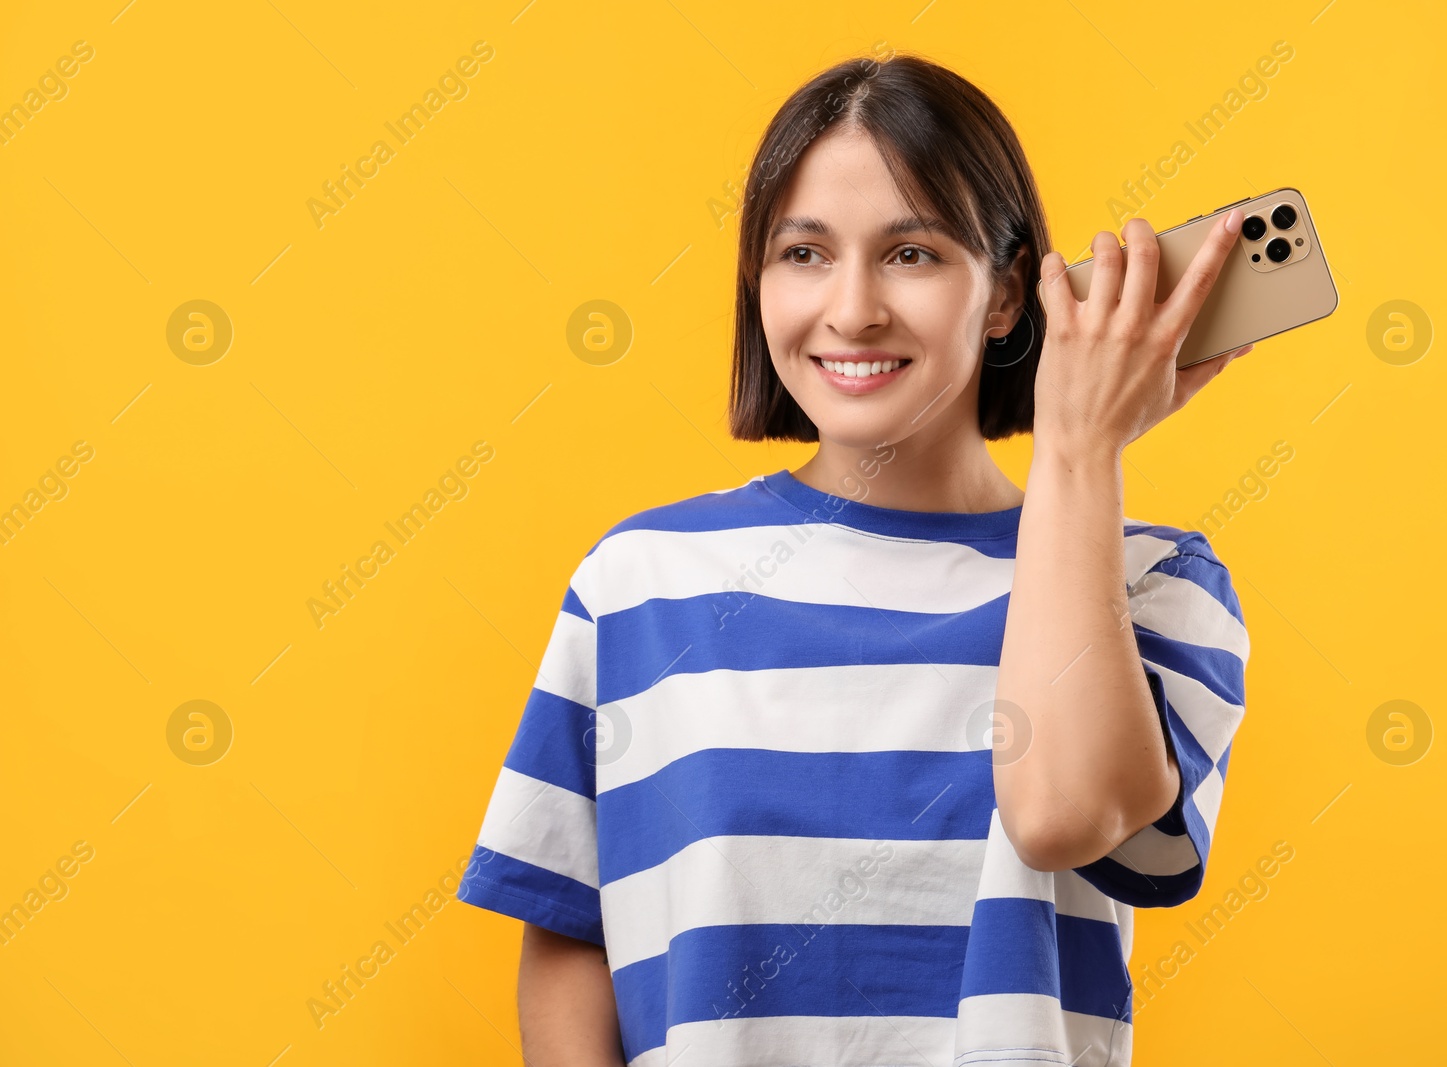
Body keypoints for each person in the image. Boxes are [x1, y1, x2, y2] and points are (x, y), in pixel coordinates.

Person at [457, 49, 1252, 1067]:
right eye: (804, 253)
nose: (852, 308)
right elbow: (571, 926)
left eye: (911, 253)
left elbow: (1059, 812)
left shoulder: (1156, 584)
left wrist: (1079, 448)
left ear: (1008, 293)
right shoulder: (637, 582)